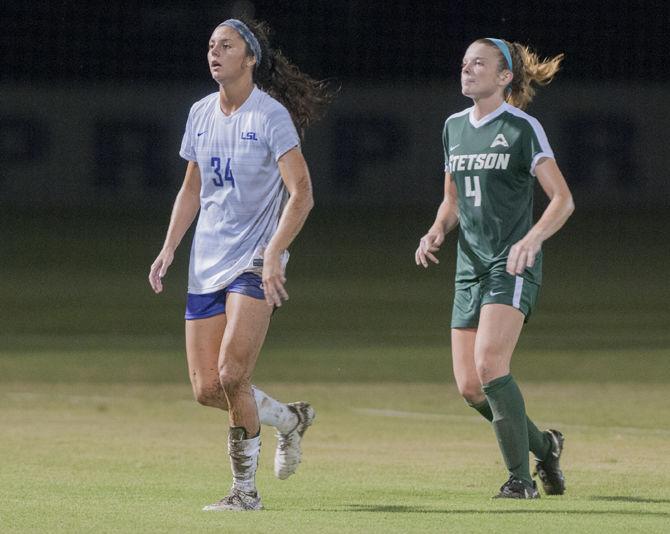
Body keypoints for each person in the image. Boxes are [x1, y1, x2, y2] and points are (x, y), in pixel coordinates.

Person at [148, 17, 332, 511]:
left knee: (232, 374)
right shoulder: (201, 113)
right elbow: (192, 187)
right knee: (209, 389)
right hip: (206, 261)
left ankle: (244, 492)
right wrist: (169, 247)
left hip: (253, 261)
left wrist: (273, 253)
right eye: (210, 45)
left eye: (226, 45)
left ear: (249, 58)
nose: (214, 52)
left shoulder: (269, 116)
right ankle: (290, 420)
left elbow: (302, 193)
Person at [415, 38, 574, 499]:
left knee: (489, 365)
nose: (467, 69)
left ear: (504, 77)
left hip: (511, 263)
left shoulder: (523, 128)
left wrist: (532, 239)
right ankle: (545, 447)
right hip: (470, 267)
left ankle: (520, 481)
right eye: (464, 61)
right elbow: (452, 200)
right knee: (470, 386)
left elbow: (563, 199)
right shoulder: (452, 127)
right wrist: (436, 231)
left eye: (478, 63)